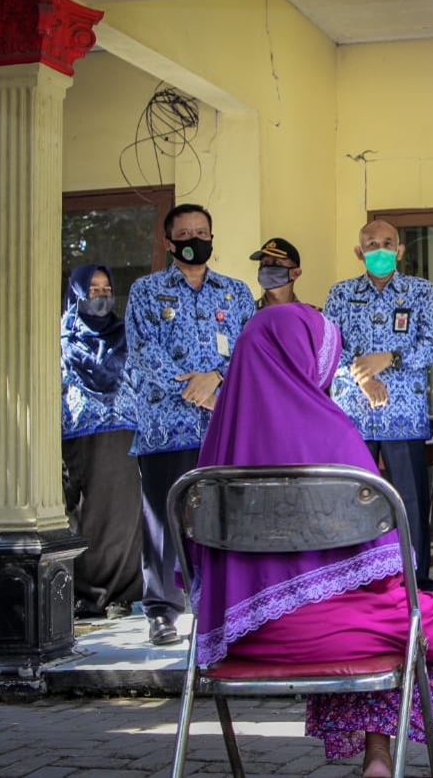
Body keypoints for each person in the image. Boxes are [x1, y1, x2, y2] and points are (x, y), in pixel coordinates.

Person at [188, 304, 433, 778]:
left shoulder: (217, 448)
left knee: (374, 615)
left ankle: (377, 756)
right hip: (330, 634)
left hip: (240, 638)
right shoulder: (332, 437)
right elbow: (384, 566)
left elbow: (194, 565)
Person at [124, 203, 254, 645]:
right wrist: (196, 389)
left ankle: (222, 604)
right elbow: (143, 351)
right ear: (169, 242)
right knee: (165, 520)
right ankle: (162, 610)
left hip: (222, 425)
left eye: (202, 231)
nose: (194, 238)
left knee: (221, 516)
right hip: (166, 426)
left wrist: (216, 379)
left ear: (212, 238)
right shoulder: (146, 291)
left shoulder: (235, 293)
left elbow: (249, 351)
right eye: (185, 232)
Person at [324, 219, 433, 592]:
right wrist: (364, 376)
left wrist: (388, 357)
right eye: (371, 244)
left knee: (409, 502)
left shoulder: (420, 292)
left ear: (400, 250)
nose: (379, 250)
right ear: (359, 253)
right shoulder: (340, 294)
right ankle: (355, 583)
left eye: (387, 243)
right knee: (352, 502)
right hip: (353, 419)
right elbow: (328, 350)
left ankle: (417, 583)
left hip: (404, 417)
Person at [61, 264, 143, 619]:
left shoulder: (126, 334)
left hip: (118, 431)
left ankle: (118, 594)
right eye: (91, 289)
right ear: (76, 293)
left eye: (106, 288)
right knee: (76, 517)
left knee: (119, 518)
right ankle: (77, 593)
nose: (100, 295)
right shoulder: (60, 338)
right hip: (70, 434)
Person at [249, 236, 303, 308]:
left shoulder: (312, 316)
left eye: (277, 263)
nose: (267, 269)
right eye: (264, 263)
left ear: (296, 273)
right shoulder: (245, 316)